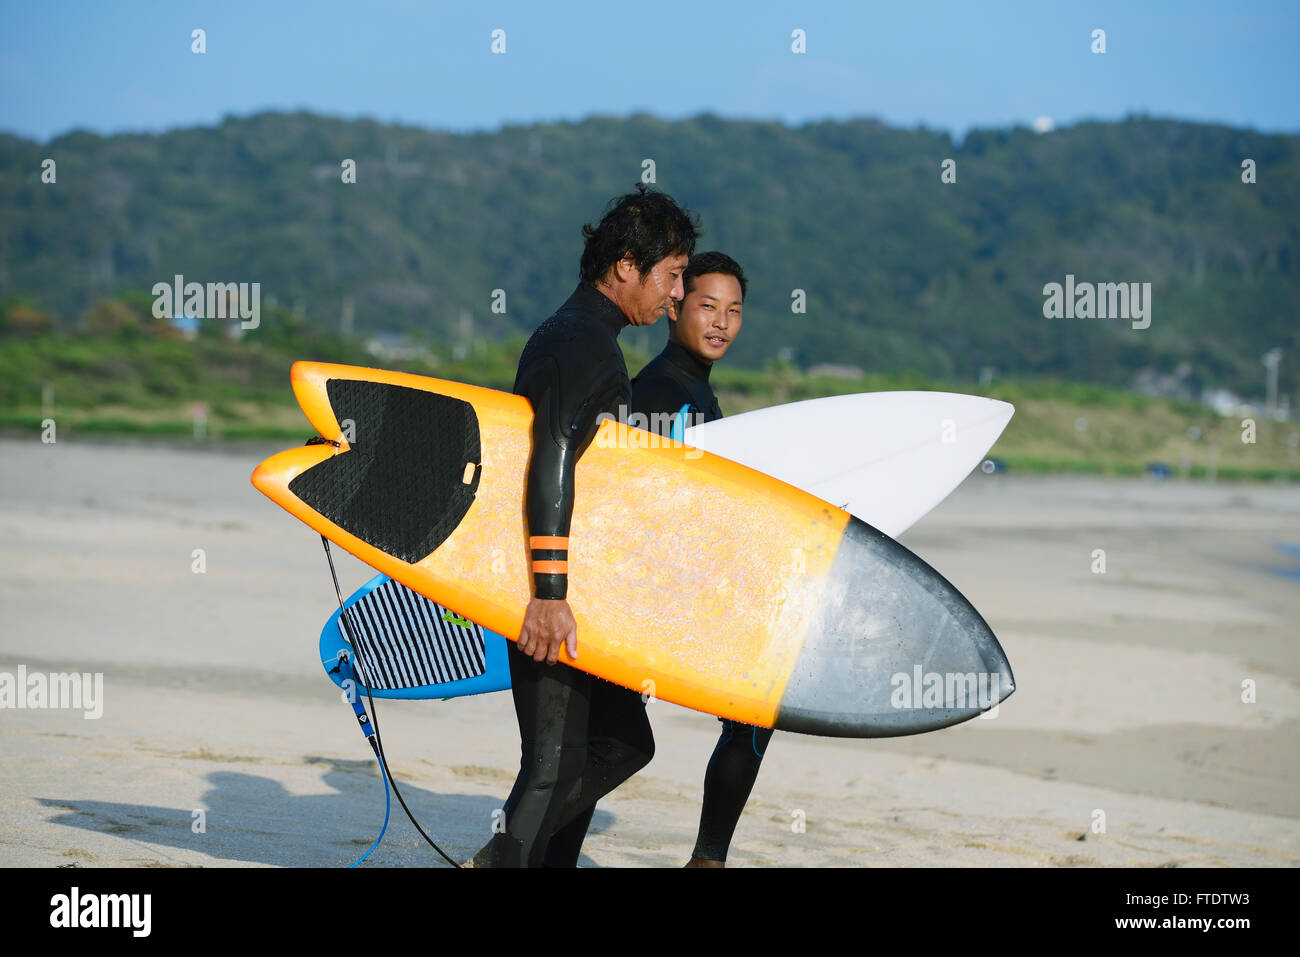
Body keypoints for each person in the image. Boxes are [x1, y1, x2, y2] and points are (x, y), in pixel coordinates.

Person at [470, 185, 699, 868]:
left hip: (576, 586)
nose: (678, 294)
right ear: (627, 265)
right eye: (673, 274)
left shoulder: (575, 334)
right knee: (552, 764)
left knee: (623, 740)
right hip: (550, 588)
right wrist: (547, 589)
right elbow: (552, 458)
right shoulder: (584, 344)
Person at [627, 251, 763, 869]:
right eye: (708, 306)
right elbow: (635, 498)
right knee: (610, 742)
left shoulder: (694, 394)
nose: (721, 323)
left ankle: (708, 861)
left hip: (677, 591)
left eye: (733, 311)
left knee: (749, 714)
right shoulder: (661, 391)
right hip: (648, 595)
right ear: (675, 307)